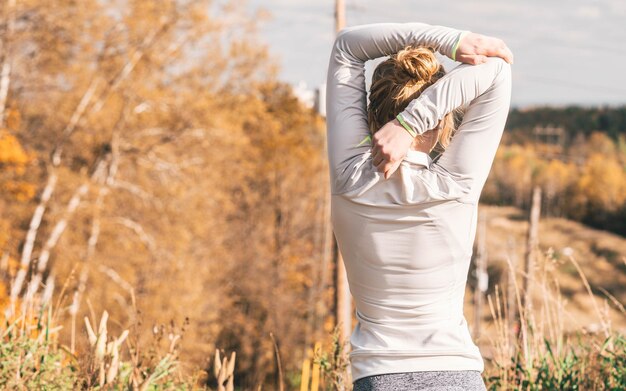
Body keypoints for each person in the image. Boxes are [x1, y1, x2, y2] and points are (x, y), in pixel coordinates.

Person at [325, 22, 513, 391]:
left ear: (370, 110)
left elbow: (347, 47)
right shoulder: (455, 187)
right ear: (443, 121)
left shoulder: (349, 180)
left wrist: (450, 43)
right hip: (457, 376)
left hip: (379, 378)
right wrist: (411, 125)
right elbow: (498, 70)